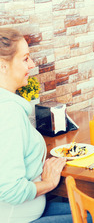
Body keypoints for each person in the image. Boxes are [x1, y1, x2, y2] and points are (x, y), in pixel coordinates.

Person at [0, 28, 72, 222]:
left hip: (28, 211)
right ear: (2, 65)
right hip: (17, 218)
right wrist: (49, 183)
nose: (31, 64)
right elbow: (10, 190)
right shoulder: (8, 113)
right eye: (25, 59)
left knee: (88, 209)